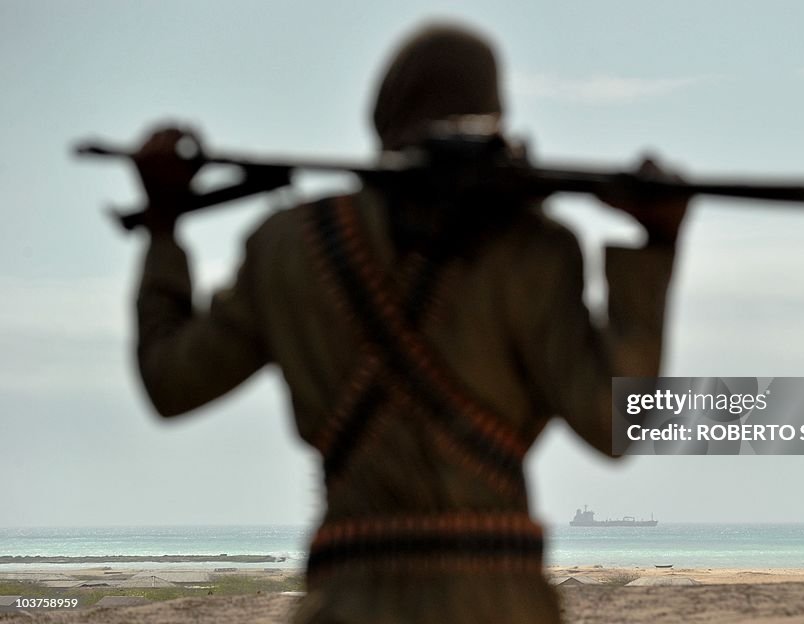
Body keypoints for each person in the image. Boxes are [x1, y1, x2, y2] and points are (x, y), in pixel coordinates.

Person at [132, 22, 687, 624]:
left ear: (382, 120)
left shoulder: (287, 245)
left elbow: (171, 382)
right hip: (500, 603)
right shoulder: (534, 248)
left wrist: (164, 226)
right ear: (494, 117)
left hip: (348, 602)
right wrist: (657, 242)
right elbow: (615, 425)